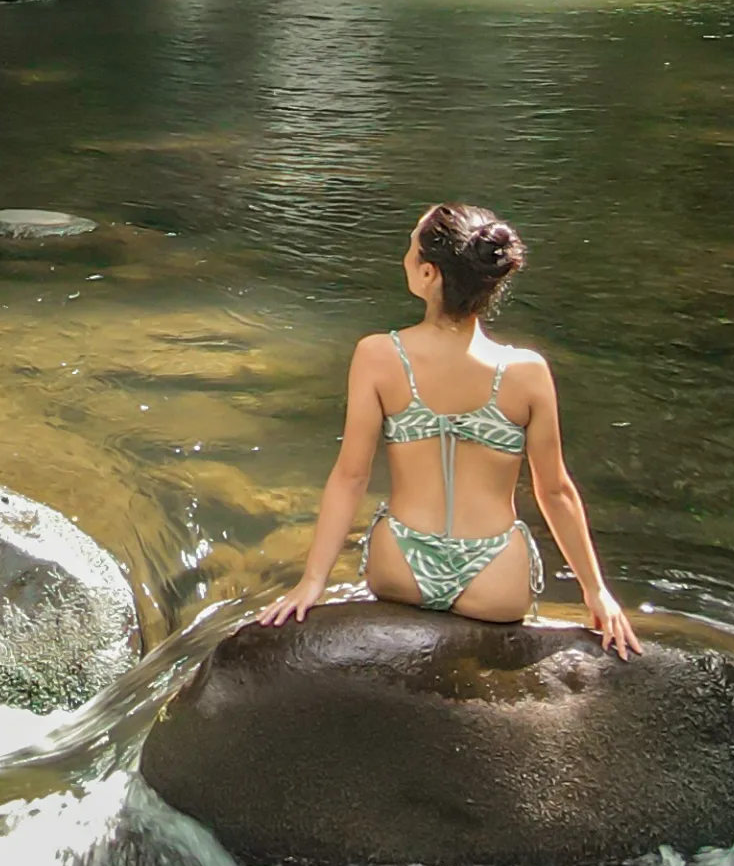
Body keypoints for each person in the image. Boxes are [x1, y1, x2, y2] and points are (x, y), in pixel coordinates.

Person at [260, 201, 641, 658]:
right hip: (496, 577)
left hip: (400, 566)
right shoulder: (527, 371)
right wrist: (596, 591)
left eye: (410, 245)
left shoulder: (379, 355)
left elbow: (351, 477)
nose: (405, 254)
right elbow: (554, 491)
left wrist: (313, 582)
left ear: (428, 275)